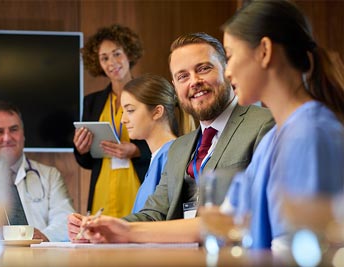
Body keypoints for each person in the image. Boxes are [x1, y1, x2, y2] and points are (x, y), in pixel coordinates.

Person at [68, 0, 344, 250]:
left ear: (264, 52)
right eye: (182, 76)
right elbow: (222, 220)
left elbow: (307, 246)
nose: (230, 70)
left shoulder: (305, 132)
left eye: (231, 56)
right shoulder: (279, 138)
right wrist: (122, 229)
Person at [67, 31, 274, 241]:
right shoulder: (180, 148)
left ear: (227, 70)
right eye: (182, 76)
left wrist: (129, 232)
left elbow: (255, 214)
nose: (194, 81)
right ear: (175, 87)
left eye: (203, 68)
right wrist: (102, 228)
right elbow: (153, 214)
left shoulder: (264, 125)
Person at [0, 102, 75, 242]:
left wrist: (45, 236)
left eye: (13, 129)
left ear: (23, 135)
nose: (7, 138)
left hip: (38, 258)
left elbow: (67, 223)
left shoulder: (49, 175)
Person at [73, 24, 151, 218]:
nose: (111, 63)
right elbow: (87, 161)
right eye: (104, 58)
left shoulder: (149, 95)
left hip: (138, 186)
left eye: (116, 54)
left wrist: (136, 150)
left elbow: (169, 143)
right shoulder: (92, 102)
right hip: (103, 191)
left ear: (129, 53)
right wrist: (81, 149)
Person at [121, 73, 189, 213]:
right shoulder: (160, 156)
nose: (123, 119)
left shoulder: (171, 157)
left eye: (130, 110)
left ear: (157, 112)